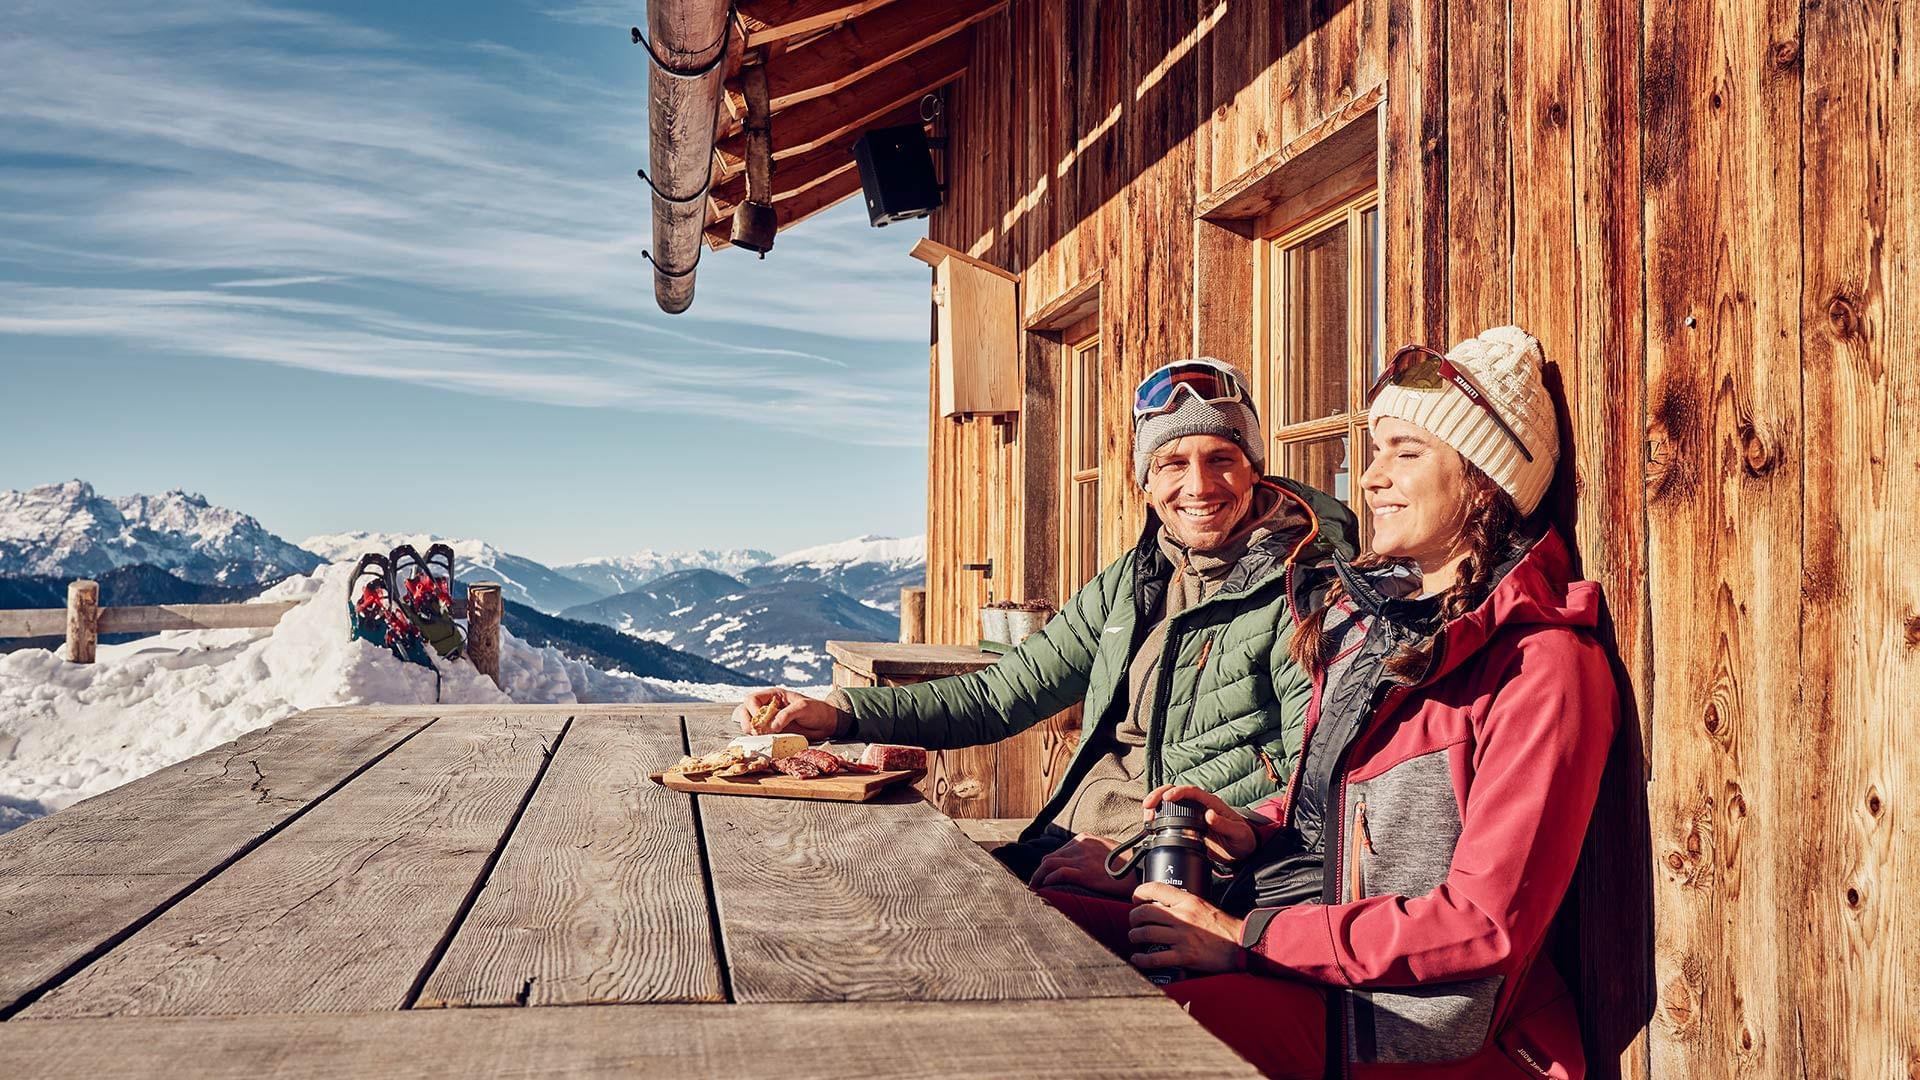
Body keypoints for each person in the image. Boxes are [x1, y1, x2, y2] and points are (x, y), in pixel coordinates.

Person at [1040, 326, 1618, 1079]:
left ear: (1486, 480)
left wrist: (1248, 939)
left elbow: (1484, 925)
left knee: (1171, 1033)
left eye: (1406, 452)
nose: (1371, 478)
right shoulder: (1376, 629)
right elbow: (1332, 811)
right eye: (1374, 451)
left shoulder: (1541, 668)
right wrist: (1247, 831)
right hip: (1307, 947)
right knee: (1043, 926)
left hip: (1410, 1025)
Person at [733, 357, 1357, 885]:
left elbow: (1317, 784)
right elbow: (1000, 695)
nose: (1198, 484)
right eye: (1171, 463)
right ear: (1144, 482)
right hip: (1073, 838)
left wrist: (1141, 860)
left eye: (1221, 457)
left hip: (1174, 874)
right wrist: (838, 715)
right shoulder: (1138, 578)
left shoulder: (1309, 588)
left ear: (1254, 466)